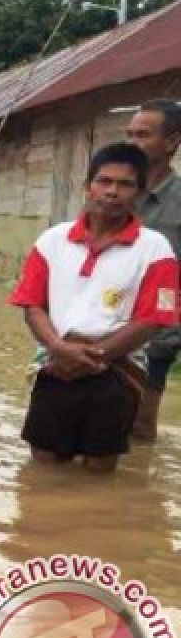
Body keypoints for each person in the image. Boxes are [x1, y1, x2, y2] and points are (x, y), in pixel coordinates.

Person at [9, 142, 178, 473]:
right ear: (87, 187)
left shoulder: (157, 249)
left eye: (125, 184)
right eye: (104, 181)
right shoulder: (51, 240)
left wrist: (96, 356)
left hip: (117, 372)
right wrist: (58, 346)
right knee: (43, 468)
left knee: (100, 471)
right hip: (54, 366)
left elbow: (152, 319)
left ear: (141, 192)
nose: (112, 192)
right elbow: (32, 304)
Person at [125, 98, 181, 440]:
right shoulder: (114, 191)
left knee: (141, 424)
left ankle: (140, 483)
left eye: (143, 135)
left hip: (158, 331)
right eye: (129, 134)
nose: (132, 143)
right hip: (106, 321)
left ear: (172, 141)